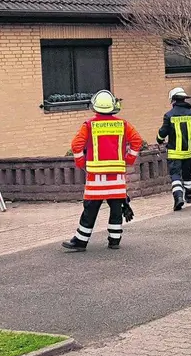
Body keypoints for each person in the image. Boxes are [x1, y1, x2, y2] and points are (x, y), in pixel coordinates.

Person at [62, 90, 145, 251]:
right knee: (116, 208)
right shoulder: (123, 124)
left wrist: (80, 162)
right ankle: (114, 240)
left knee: (90, 209)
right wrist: (129, 159)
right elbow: (137, 141)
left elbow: (76, 145)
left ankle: (80, 241)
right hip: (117, 177)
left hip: (96, 177)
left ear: (95, 107)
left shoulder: (89, 125)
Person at [157, 86, 191, 211]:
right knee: (187, 175)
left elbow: (163, 132)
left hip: (174, 153)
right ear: (184, 99)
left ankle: (178, 198)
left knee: (175, 175)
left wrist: (159, 140)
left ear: (173, 100)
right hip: (188, 152)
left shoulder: (169, 115)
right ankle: (188, 196)